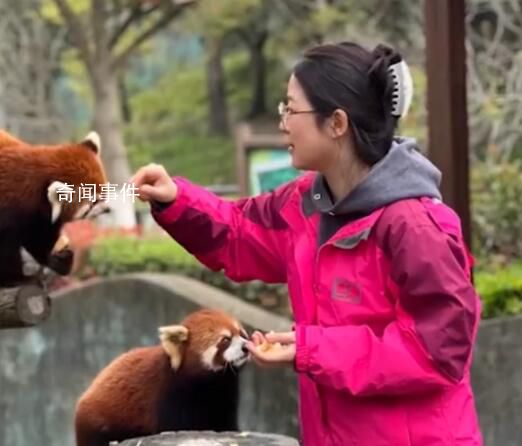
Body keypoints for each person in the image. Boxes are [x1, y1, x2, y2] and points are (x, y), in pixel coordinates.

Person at [130, 41, 483, 446]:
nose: (283, 122)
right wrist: (176, 199)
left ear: (336, 123)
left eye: (291, 109)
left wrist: (311, 348)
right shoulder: (305, 204)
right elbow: (239, 232)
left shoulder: (416, 226)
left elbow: (436, 353)